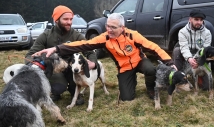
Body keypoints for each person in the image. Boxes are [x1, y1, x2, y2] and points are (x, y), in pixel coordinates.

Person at [32, 13, 176, 101]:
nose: (109, 30)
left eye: (113, 27)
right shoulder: (104, 38)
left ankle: (150, 88)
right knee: (127, 98)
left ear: (122, 28)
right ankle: (129, 83)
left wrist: (169, 62)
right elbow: (83, 44)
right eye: (107, 26)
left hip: (139, 61)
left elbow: (154, 47)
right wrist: (57, 48)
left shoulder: (133, 35)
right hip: (124, 68)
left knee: (151, 69)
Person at [25, 5, 98, 104]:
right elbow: (30, 55)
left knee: (74, 76)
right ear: (56, 20)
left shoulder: (76, 35)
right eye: (66, 19)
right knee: (59, 87)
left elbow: (89, 50)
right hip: (54, 69)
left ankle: (74, 92)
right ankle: (55, 92)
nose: (69, 22)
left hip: (72, 68)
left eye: (71, 19)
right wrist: (36, 66)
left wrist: (93, 63)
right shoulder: (46, 35)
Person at [172, 9, 212, 89]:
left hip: (200, 56)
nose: (199, 22)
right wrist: (190, 59)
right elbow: (184, 47)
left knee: (205, 87)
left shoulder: (207, 33)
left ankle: (199, 75)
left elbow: (205, 49)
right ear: (190, 19)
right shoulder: (182, 32)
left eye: (201, 20)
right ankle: (178, 75)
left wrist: (199, 61)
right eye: (196, 19)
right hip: (187, 56)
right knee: (177, 50)